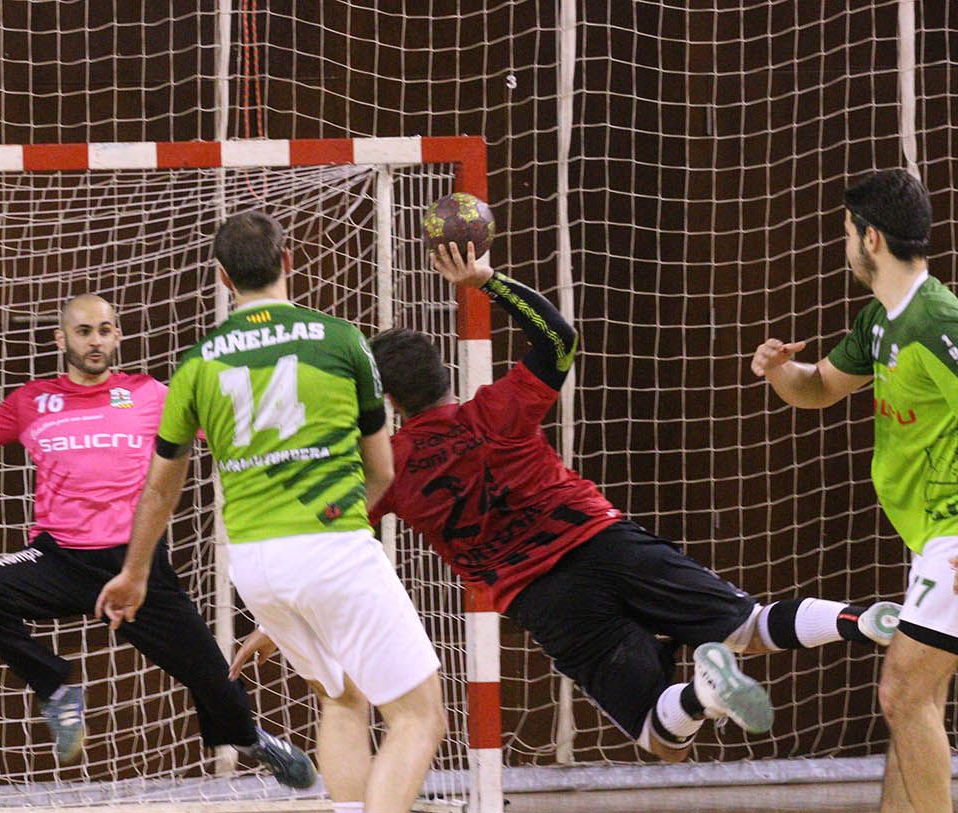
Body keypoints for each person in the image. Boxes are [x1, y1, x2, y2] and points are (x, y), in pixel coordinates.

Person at [236, 241, 898, 764]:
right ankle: (860, 620)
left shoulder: (386, 467)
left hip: (545, 600)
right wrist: (486, 283)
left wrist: (281, 622)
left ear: (387, 402)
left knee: (661, 736)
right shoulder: (498, 407)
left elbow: (334, 545)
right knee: (750, 627)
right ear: (443, 373)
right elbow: (559, 337)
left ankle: (703, 692)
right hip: (605, 542)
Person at [96, 211, 449, 813]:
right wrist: (337, 544)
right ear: (290, 261)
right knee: (418, 712)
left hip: (254, 562)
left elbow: (161, 488)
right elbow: (381, 468)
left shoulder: (196, 365)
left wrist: (134, 573)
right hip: (333, 543)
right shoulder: (343, 340)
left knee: (342, 699)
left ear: (222, 279)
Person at [0, 294, 315, 789]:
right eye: (84, 331)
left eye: (105, 330)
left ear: (117, 336)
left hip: (134, 567)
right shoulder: (32, 402)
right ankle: (56, 689)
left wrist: (285, 446)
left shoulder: (150, 394)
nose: (95, 341)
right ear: (62, 339)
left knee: (210, 675)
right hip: (62, 559)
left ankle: (249, 739)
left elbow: (222, 432)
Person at [752, 169, 958, 813]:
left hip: (955, 537)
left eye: (845, 233)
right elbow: (819, 387)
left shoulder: (938, 321)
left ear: (870, 238)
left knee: (902, 686)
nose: (844, 246)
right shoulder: (880, 323)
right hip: (929, 536)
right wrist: (780, 372)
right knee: (917, 697)